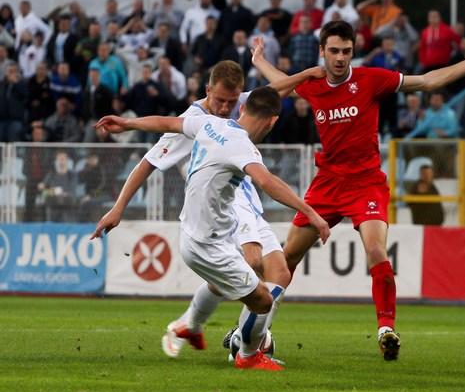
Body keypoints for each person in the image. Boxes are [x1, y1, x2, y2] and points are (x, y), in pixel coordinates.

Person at [252, 21, 465, 361]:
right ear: (322, 51)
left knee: (376, 250)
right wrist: (258, 60)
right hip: (327, 184)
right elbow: (280, 83)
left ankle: (386, 329)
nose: (340, 58)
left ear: (354, 51)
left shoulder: (371, 79)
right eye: (334, 51)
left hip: (366, 183)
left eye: (346, 51)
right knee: (288, 257)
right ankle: (255, 329)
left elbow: (426, 81)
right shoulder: (313, 84)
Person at [91, 60, 326, 362]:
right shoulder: (195, 119)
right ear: (208, 91)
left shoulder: (232, 110)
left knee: (277, 272)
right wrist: (118, 207)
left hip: (243, 198)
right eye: (222, 101)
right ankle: (247, 344)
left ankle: (195, 324)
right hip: (221, 207)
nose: (227, 108)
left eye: (234, 101)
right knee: (252, 266)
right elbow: (149, 160)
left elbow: (269, 94)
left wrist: (306, 74)